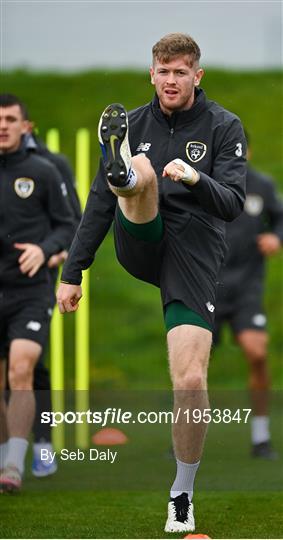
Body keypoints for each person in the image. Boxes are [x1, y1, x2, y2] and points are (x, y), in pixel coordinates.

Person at [57, 33, 246, 533]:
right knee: (135, 174)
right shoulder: (135, 123)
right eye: (162, 71)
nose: (170, 80)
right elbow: (96, 207)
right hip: (141, 234)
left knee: (189, 381)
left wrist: (194, 178)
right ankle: (122, 170)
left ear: (196, 76)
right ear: (151, 74)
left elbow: (232, 203)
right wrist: (72, 273)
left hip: (194, 252)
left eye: (180, 72)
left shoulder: (224, 126)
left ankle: (181, 494)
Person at [0, 94, 74, 492]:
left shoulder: (44, 171)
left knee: (22, 370)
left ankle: (15, 464)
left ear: (25, 126)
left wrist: (43, 249)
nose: (3, 125)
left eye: (11, 119)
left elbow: (69, 225)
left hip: (30, 289)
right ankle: (5, 455)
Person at [214, 134, 283, 459]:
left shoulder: (262, 185)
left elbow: (280, 217)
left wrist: (275, 237)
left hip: (246, 286)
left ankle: (260, 436)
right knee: (192, 365)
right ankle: (182, 436)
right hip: (206, 284)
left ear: (249, 151)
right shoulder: (205, 180)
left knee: (257, 353)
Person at [24, 122, 81, 477]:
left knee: (29, 361)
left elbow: (74, 219)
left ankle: (42, 442)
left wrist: (57, 253)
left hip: (35, 279)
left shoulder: (51, 164)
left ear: (26, 125)